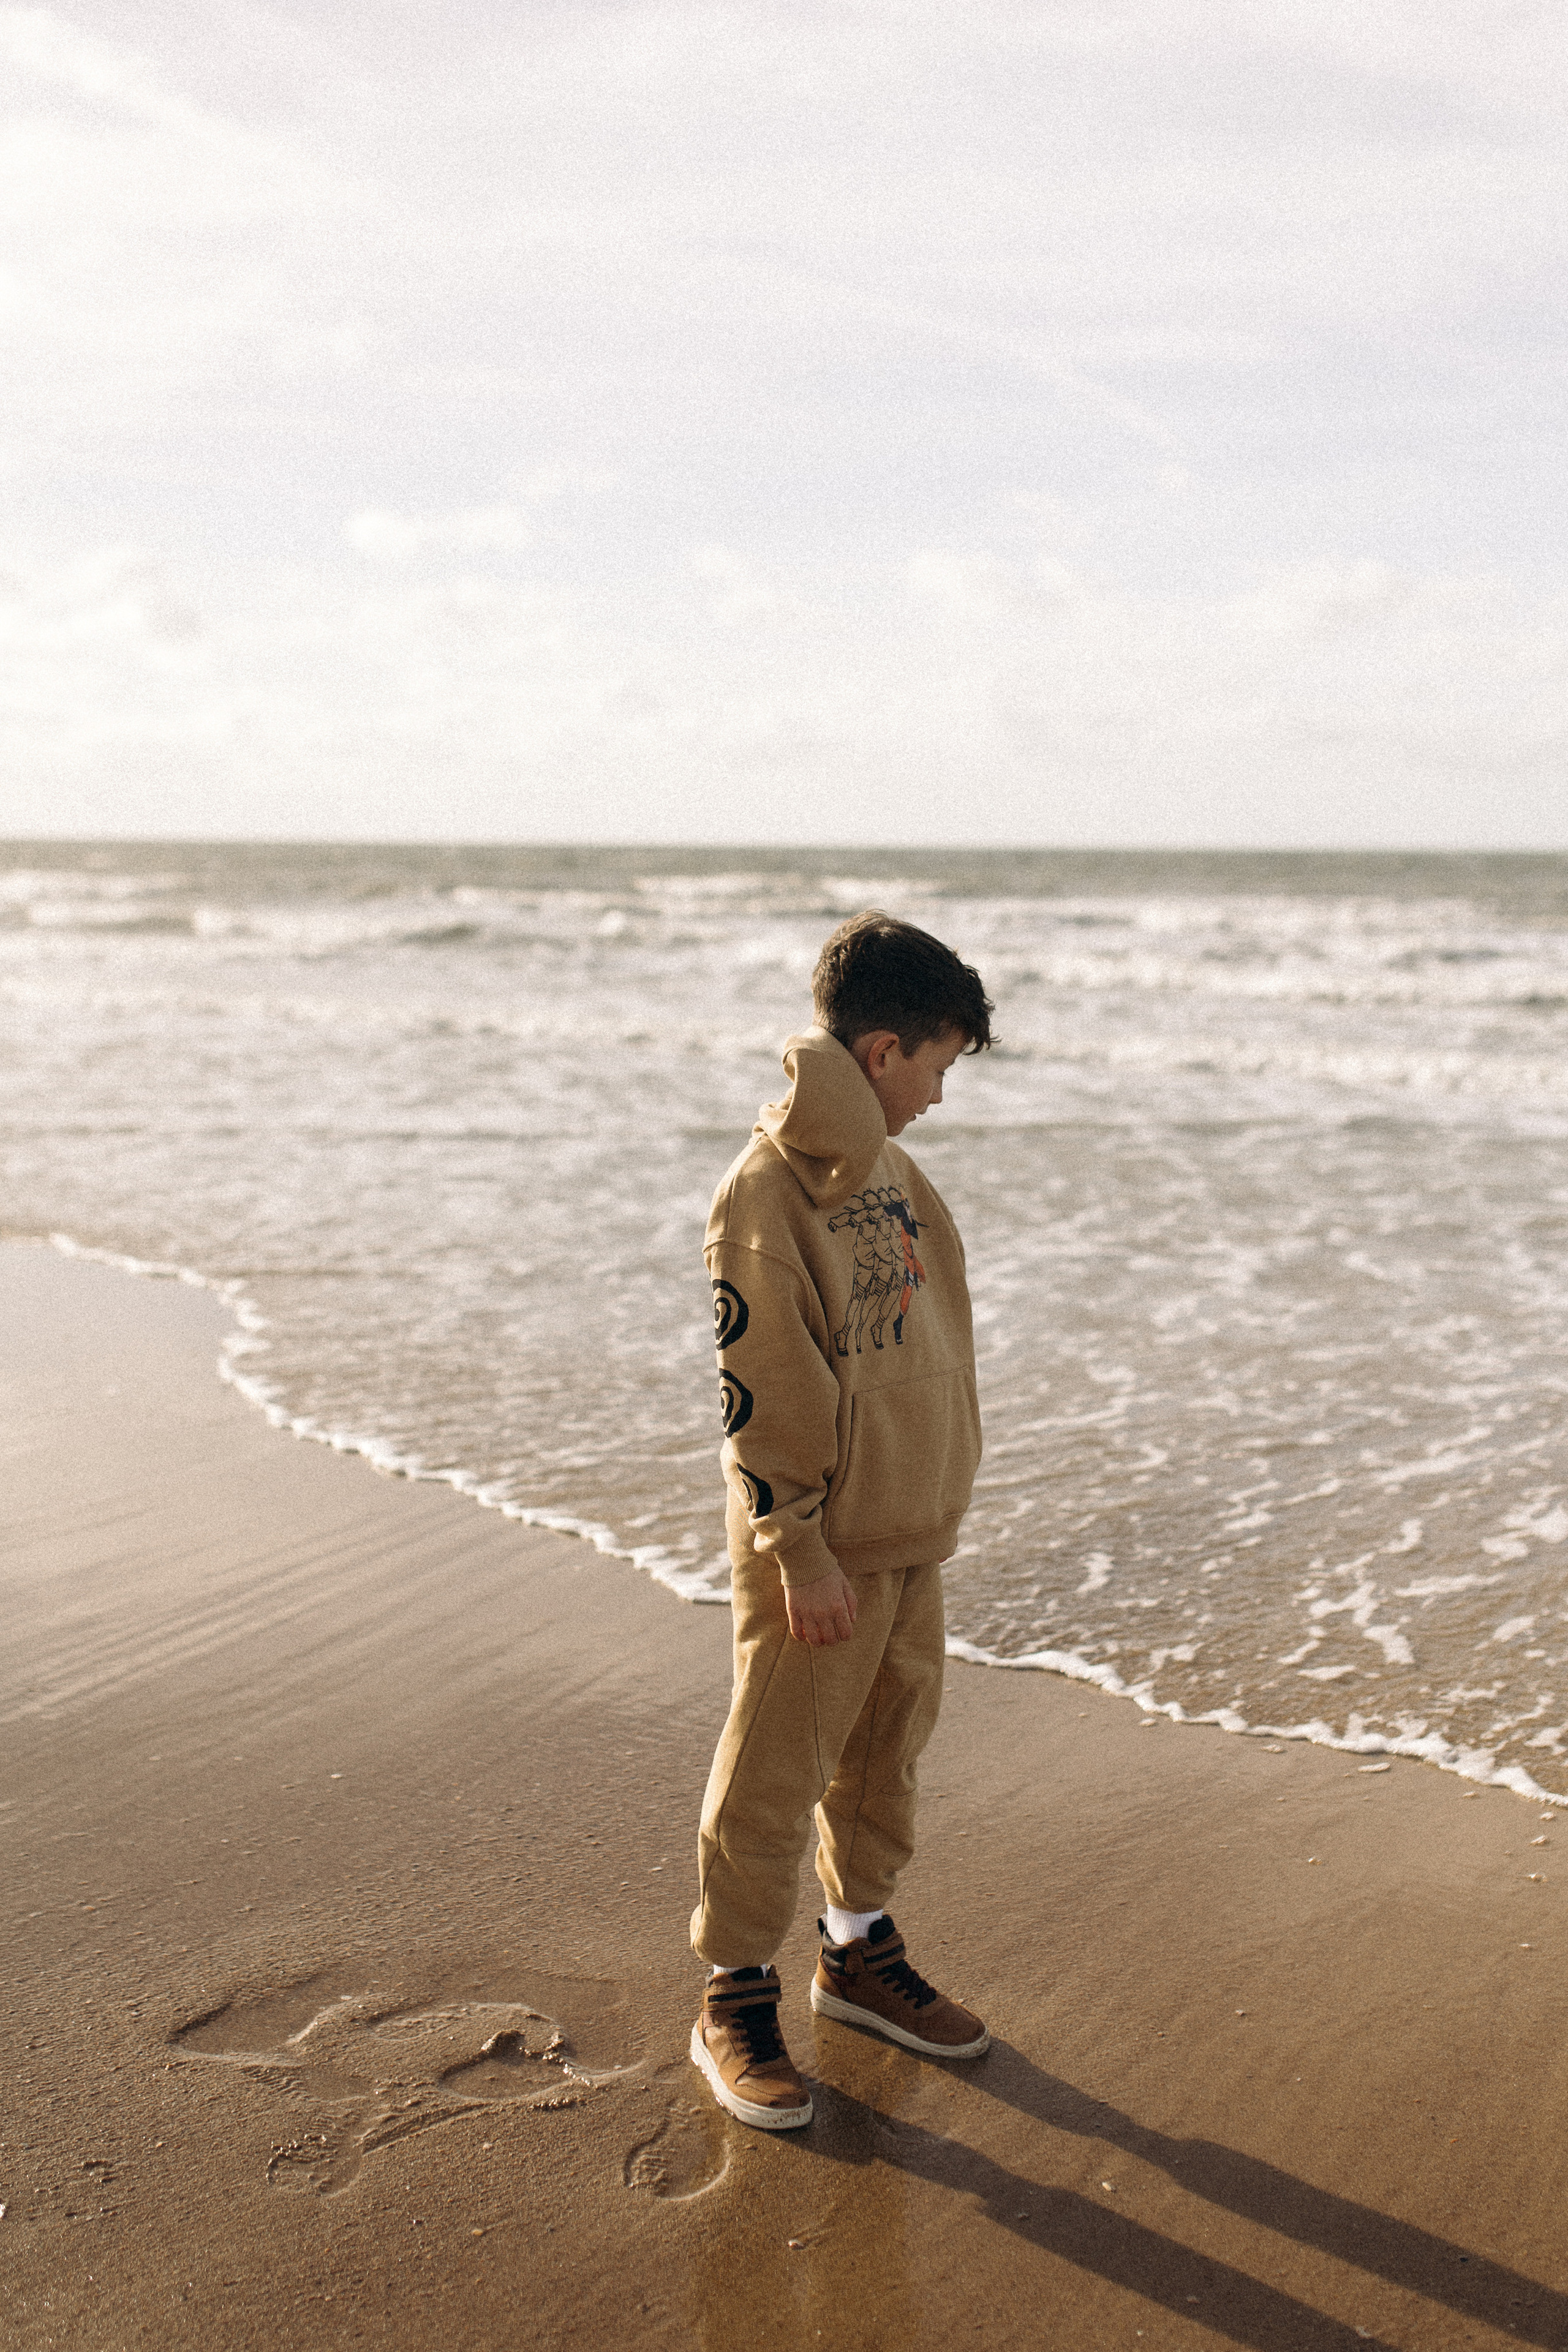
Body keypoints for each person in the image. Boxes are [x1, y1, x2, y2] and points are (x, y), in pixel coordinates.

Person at [689, 909, 995, 2129]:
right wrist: (798, 1550)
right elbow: (762, 1392)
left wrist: (934, 1490)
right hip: (815, 1556)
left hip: (908, 1532)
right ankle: (733, 1995)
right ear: (879, 1053)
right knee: (776, 1767)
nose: (938, 1093)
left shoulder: (897, 1173)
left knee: (885, 1756)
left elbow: (935, 1341)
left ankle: (854, 1953)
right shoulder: (760, 1197)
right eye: (936, 1065)